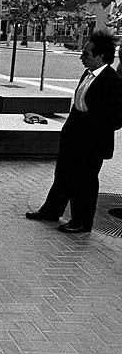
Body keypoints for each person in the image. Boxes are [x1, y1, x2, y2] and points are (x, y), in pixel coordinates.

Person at [26, 30, 122, 233]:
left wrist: (92, 127)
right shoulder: (87, 75)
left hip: (92, 142)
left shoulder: (112, 81)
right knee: (62, 175)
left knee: (85, 182)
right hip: (73, 137)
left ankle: (82, 222)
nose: (81, 58)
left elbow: (116, 119)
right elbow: (78, 105)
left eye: (86, 54)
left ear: (100, 56)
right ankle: (51, 211)